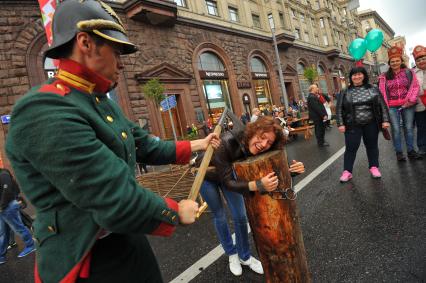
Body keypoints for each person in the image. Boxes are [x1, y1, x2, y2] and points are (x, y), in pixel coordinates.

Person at [5, 1, 220, 282]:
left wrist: (198, 144)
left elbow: (143, 144)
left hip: (124, 240)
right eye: (116, 50)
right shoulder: (44, 110)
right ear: (85, 42)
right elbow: (113, 197)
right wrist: (176, 211)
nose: (121, 62)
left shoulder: (98, 102)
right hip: (87, 258)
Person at [199, 116, 305, 276]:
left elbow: (271, 168)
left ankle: (244, 256)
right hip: (207, 175)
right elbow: (228, 183)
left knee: (240, 216)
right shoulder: (226, 142)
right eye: (262, 137)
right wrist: (257, 185)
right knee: (219, 215)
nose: (263, 144)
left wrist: (290, 171)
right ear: (253, 131)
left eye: (269, 142)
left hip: (229, 173)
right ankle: (231, 253)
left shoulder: (264, 147)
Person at [336, 66, 390, 182]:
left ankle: (374, 167)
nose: (357, 76)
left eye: (359, 74)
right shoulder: (345, 91)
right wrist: (340, 123)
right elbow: (339, 108)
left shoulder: (374, 88)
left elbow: (382, 105)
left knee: (372, 146)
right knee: (351, 148)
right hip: (352, 124)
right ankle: (347, 171)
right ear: (351, 77)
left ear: (364, 75)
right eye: (354, 75)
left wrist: (385, 120)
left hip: (371, 123)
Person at [378, 46, 422, 161]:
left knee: (408, 128)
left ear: (401, 61)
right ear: (389, 63)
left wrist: (411, 100)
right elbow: (382, 92)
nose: (395, 63)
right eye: (392, 61)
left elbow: (415, 86)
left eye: (397, 60)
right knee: (396, 129)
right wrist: (384, 107)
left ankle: (411, 151)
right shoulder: (384, 76)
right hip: (392, 106)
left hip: (408, 105)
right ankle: (399, 152)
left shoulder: (409, 72)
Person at [0, 168, 36, 265]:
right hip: (4, 208)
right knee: (3, 232)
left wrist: (1, 206)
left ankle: (30, 245)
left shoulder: (3, 174)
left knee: (18, 228)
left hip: (7, 207)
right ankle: (1, 256)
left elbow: (7, 191)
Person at [412, 45, 426, 155]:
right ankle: (422, 147)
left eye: (423, 58)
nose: (421, 61)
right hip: (419, 104)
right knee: (421, 126)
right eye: (419, 60)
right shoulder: (412, 73)